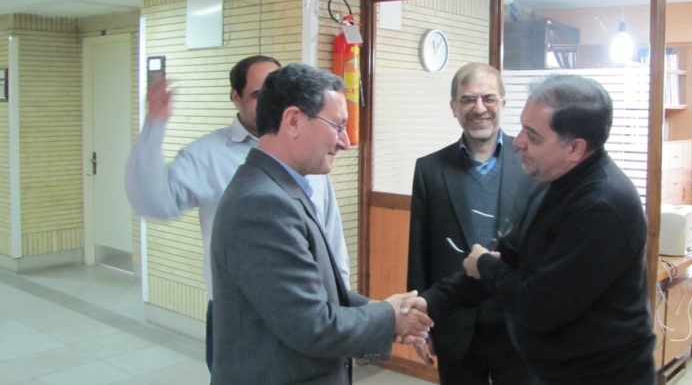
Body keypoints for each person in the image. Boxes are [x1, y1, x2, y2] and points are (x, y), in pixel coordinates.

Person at [413, 74, 656, 385]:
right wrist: (429, 302)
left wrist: (484, 264)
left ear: (575, 149)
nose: (518, 142)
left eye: (533, 136)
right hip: (552, 366)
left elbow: (539, 305)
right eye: (522, 127)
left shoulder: (602, 206)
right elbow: (509, 256)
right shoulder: (551, 183)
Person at [124, 55, 351, 371]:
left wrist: (343, 303)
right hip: (240, 319)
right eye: (259, 95)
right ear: (237, 97)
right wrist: (154, 124)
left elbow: (330, 236)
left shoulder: (310, 155)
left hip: (312, 314)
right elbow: (152, 200)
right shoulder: (208, 155)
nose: (272, 102)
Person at [210, 63, 432, 384]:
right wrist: (389, 317)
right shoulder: (263, 204)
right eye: (338, 125)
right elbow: (313, 326)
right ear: (294, 121)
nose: (345, 141)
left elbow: (312, 295)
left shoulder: (281, 187)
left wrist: (383, 309)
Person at [407, 62, 539, 384]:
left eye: (488, 98)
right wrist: (420, 324)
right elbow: (419, 255)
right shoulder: (430, 170)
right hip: (456, 325)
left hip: (520, 325)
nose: (479, 108)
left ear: (502, 103)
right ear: (454, 107)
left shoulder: (533, 164)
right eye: (468, 99)